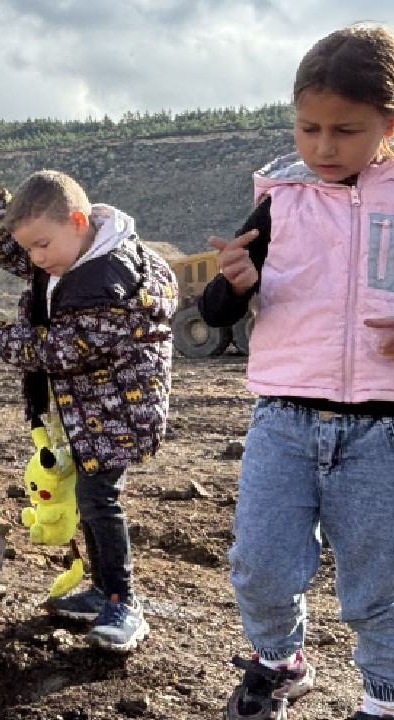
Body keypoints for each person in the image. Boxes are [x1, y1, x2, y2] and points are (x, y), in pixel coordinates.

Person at [196, 24, 394, 720]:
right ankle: (279, 661)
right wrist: (235, 283)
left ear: (388, 125)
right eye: (309, 128)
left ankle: (383, 696)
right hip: (282, 419)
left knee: (378, 585)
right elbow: (217, 309)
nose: (324, 147)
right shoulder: (279, 197)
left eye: (346, 129)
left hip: (382, 428)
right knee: (261, 566)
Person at [0, 170, 176, 652]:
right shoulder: (68, 253)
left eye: (42, 246)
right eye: (33, 248)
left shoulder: (105, 282)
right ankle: (103, 590)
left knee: (100, 500)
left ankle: (123, 601)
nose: (36, 260)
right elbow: (18, 252)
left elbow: (63, 349)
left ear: (78, 222)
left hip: (120, 410)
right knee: (88, 498)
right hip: (89, 409)